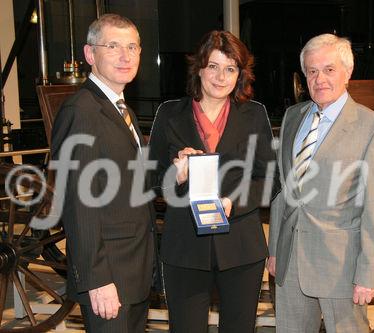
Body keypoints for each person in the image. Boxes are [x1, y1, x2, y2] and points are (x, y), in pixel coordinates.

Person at [149, 30, 278, 333]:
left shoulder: (254, 114)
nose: (221, 77)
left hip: (241, 249)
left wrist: (235, 202)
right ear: (199, 69)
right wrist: (176, 174)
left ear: (240, 74)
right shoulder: (169, 114)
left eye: (230, 69)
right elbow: (151, 181)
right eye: (213, 67)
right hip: (185, 249)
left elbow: (269, 179)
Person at [267, 33, 374, 332]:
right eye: (312, 71)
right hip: (290, 260)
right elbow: (283, 191)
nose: (319, 79)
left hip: (341, 267)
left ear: (348, 72)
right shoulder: (292, 117)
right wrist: (275, 249)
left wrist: (368, 273)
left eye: (329, 69)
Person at [50, 14, 155, 332]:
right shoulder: (81, 112)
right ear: (89, 54)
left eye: (133, 47)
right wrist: (97, 281)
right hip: (108, 276)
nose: (126, 56)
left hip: (133, 270)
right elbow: (78, 205)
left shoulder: (122, 110)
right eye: (113, 46)